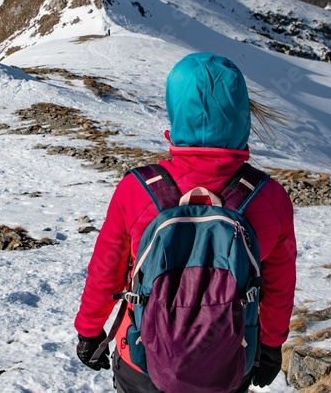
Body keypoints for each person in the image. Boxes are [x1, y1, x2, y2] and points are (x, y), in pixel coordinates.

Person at [74, 53, 297, 393]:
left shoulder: (137, 190)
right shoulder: (270, 198)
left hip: (141, 359)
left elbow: (106, 271)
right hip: (231, 359)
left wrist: (89, 331)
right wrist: (270, 345)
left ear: (176, 110)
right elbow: (278, 288)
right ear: (241, 114)